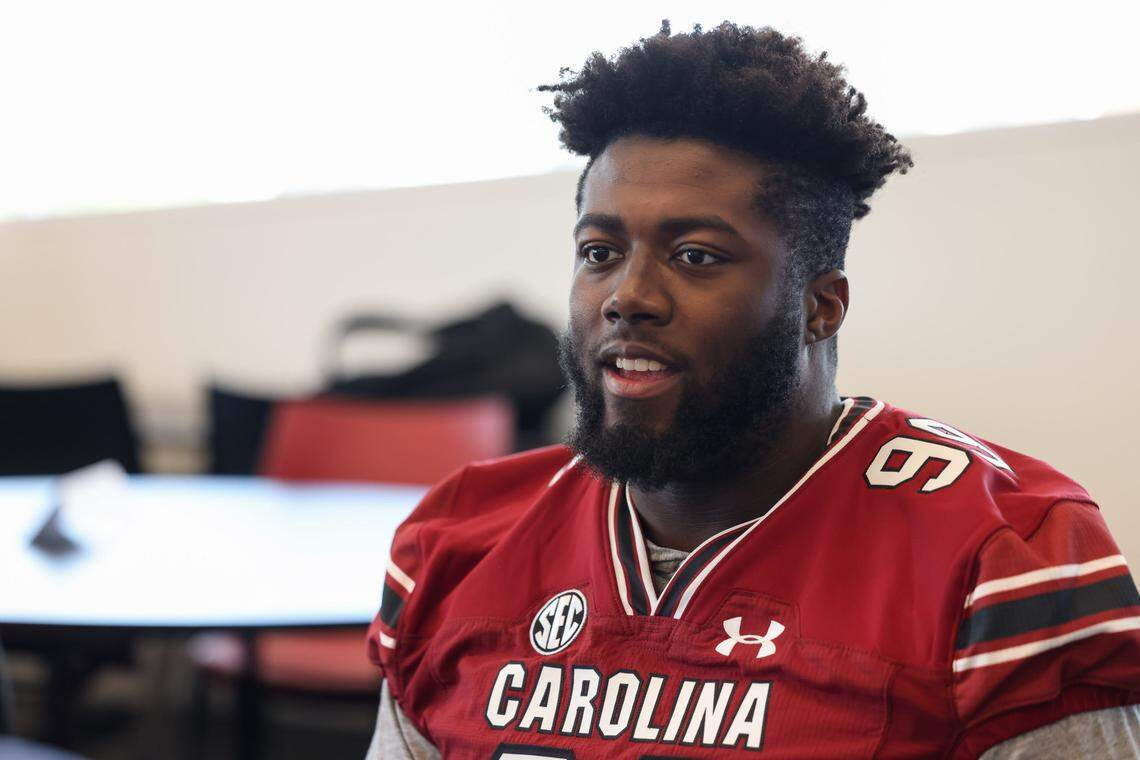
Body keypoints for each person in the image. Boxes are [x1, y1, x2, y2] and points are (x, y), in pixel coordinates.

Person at [365, 21, 1140, 759]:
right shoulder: (460, 543)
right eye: (600, 251)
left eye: (696, 256)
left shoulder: (1001, 553)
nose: (627, 295)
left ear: (820, 304)